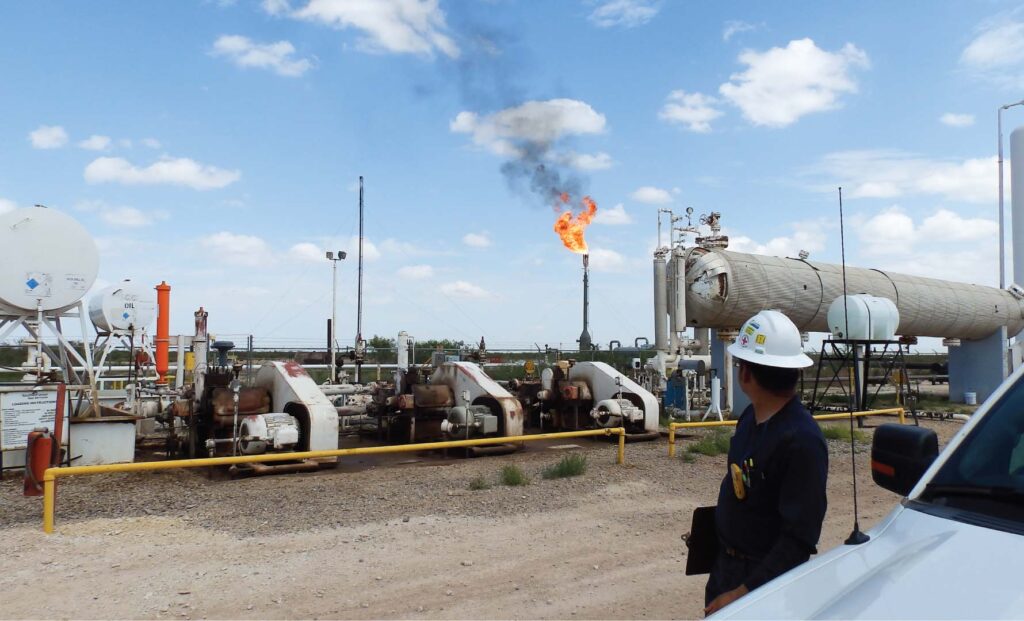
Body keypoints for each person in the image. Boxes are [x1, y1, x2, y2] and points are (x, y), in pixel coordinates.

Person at [703, 310, 828, 616]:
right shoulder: (750, 418)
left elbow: (798, 540)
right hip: (727, 568)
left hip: (763, 585)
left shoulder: (801, 441)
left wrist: (742, 595)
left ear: (745, 374)